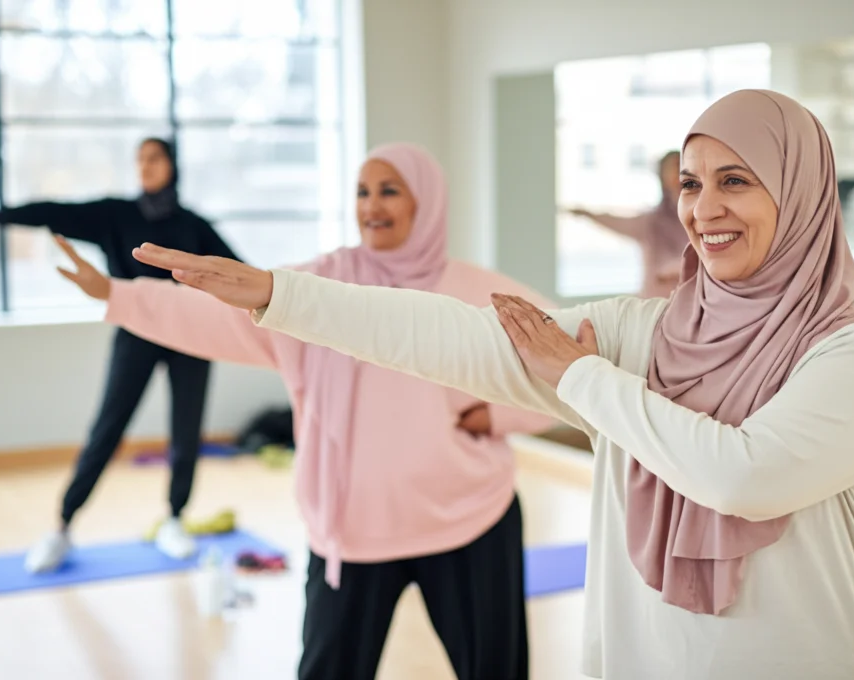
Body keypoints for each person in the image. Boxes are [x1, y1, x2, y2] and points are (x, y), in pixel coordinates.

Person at [125, 90, 854, 679]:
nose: (702, 208)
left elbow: (746, 477)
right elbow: (452, 333)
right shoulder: (645, 329)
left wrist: (582, 379)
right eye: (690, 183)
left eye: (736, 181)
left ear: (804, 191)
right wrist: (279, 294)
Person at [54, 142, 557, 680]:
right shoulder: (319, 285)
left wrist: (500, 416)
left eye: (390, 191)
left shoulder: (475, 289)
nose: (372, 206)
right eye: (363, 192)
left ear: (427, 202)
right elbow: (214, 314)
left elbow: (565, 353)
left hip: (467, 519)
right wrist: (116, 294)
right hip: (351, 531)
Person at [0, 137, 240, 572]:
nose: (145, 166)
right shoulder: (116, 215)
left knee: (186, 430)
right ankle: (63, 525)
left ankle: (175, 519)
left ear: (172, 165)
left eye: (154, 158)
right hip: (136, 334)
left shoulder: (193, 224)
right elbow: (53, 211)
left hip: (190, 337)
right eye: (139, 159)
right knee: (108, 427)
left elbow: (236, 270)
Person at [567, 150, 688, 298]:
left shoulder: (699, 215)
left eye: (684, 164)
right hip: (657, 303)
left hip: (690, 302)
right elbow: (618, 222)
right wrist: (587, 214)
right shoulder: (652, 221)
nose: (681, 171)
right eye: (675, 166)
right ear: (663, 176)